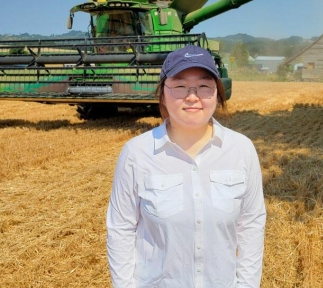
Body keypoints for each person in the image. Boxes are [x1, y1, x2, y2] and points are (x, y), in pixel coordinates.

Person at [106, 45, 266, 288]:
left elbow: (251, 226)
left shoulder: (241, 150)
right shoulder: (136, 153)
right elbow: (120, 230)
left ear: (217, 93)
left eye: (204, 86)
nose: (193, 96)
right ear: (163, 94)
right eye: (180, 86)